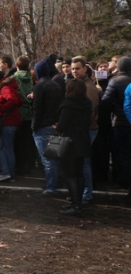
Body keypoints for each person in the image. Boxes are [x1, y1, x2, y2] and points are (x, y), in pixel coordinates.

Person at [56, 78, 92, 216]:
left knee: (70, 174)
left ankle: (75, 204)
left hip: (69, 142)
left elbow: (63, 124)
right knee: (79, 173)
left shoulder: (68, 104)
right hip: (83, 140)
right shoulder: (87, 103)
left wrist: (57, 127)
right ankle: (78, 202)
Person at [32, 60, 65, 197]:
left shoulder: (40, 87)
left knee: (47, 159)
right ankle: (55, 183)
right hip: (54, 125)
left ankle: (51, 187)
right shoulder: (55, 85)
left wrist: (34, 126)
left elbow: (37, 109)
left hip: (43, 126)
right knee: (54, 157)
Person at [101, 56, 131, 204]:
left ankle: (123, 181)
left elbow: (106, 101)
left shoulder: (116, 81)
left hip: (120, 122)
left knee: (122, 154)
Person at [71, 56, 100, 205]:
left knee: (85, 162)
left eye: (77, 68)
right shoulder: (77, 84)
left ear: (85, 69)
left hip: (87, 129)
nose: (74, 71)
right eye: (73, 68)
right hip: (80, 130)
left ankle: (87, 193)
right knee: (80, 162)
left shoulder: (89, 87)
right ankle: (81, 192)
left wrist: (80, 128)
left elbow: (92, 111)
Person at [0, 65, 23, 182]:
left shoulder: (5, 89)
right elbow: (19, 101)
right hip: (11, 121)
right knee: (0, 146)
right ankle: (8, 172)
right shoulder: (9, 86)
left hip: (8, 122)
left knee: (5, 147)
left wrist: (0, 108)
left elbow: (13, 100)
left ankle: (7, 172)